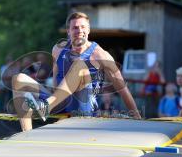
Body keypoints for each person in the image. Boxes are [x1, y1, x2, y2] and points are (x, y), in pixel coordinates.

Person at [12, 12, 141, 131]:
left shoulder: (101, 55)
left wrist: (138, 120)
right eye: (75, 28)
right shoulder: (57, 49)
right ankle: (27, 135)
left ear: (89, 30)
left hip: (84, 108)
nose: (79, 31)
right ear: (68, 31)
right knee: (18, 79)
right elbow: (57, 78)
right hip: (59, 103)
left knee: (80, 65)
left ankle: (46, 107)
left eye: (83, 27)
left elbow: (123, 90)